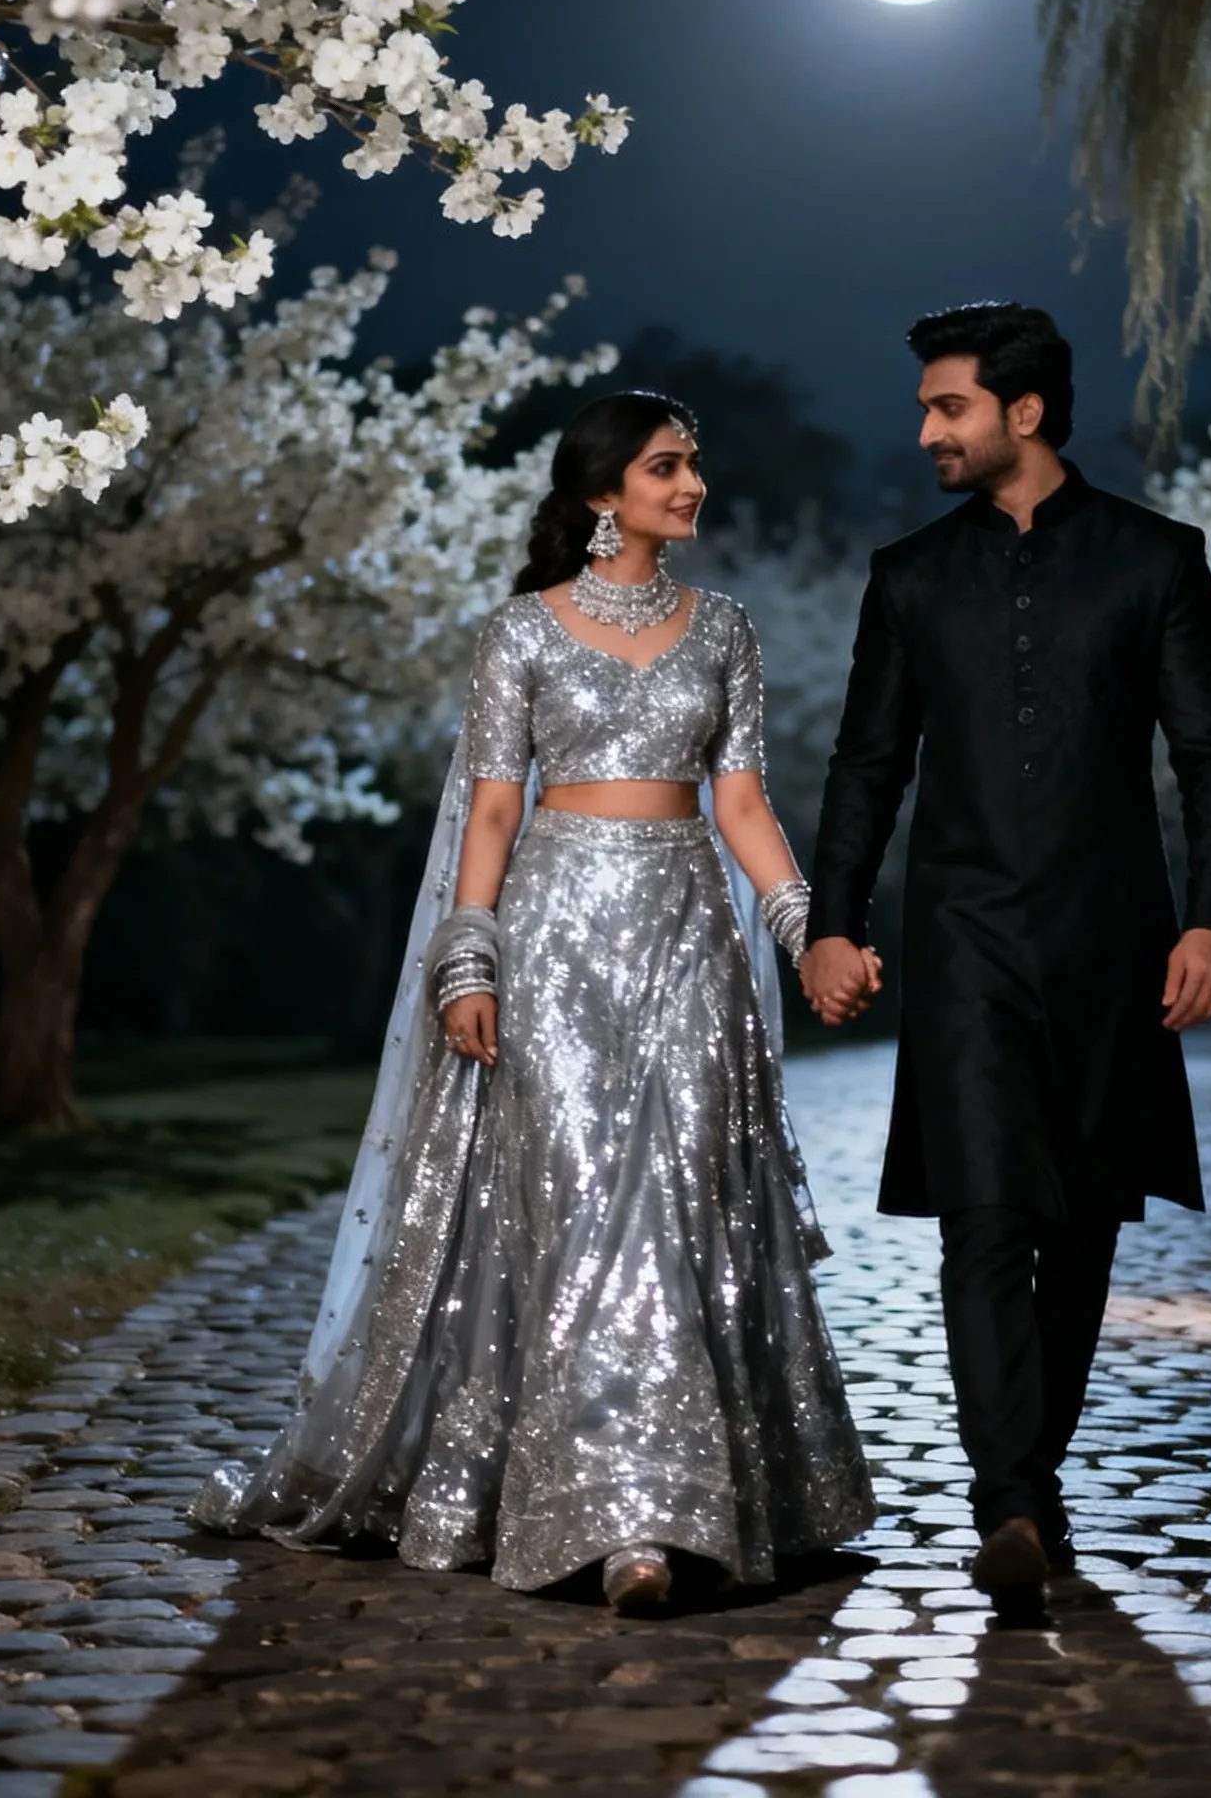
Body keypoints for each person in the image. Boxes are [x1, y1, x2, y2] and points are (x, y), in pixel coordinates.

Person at [195, 391, 876, 1612]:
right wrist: (469, 955)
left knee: (677, 1205)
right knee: (577, 1210)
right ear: (598, 494)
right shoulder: (521, 631)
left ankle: (662, 1516)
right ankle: (616, 1518)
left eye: (695, 463)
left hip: (687, 943)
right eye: (668, 466)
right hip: (552, 941)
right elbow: (494, 806)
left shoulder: (724, 629)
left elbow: (741, 806)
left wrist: (803, 924)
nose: (693, 485)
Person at [801, 303, 1211, 1613]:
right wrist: (837, 920)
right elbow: (868, 764)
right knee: (985, 1219)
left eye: (949, 407)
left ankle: (1028, 1486)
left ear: (1026, 414)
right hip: (962, 949)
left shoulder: (1155, 563)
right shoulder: (908, 577)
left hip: (1116, 944)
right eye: (929, 407)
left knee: (1084, 1224)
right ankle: (1007, 1499)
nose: (929, 430)